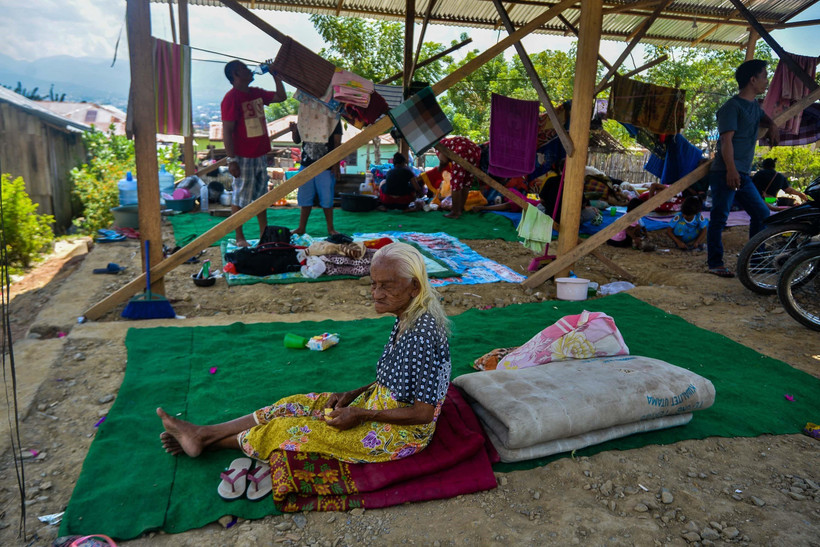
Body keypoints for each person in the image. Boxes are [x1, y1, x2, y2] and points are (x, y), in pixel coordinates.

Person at [157, 242, 451, 464]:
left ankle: (208, 441)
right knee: (295, 404)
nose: (376, 294)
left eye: (387, 286)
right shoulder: (410, 315)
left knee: (290, 429)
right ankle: (204, 433)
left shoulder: (422, 333)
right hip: (382, 404)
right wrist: (353, 394)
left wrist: (361, 414)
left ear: (414, 287)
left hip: (400, 434)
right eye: (374, 284)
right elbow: (396, 380)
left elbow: (423, 414)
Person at [706, 59, 780, 278]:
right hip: (725, 172)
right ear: (753, 79)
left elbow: (763, 117)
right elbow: (726, 142)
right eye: (765, 76)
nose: (767, 81)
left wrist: (773, 124)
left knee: (761, 212)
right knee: (719, 216)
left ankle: (756, 259)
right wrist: (731, 170)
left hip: (743, 174)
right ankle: (715, 263)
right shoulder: (731, 107)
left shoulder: (755, 107)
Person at [221, 60, 287, 247]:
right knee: (239, 197)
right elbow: (227, 131)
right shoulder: (231, 98)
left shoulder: (256, 92)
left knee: (260, 196)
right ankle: (240, 237)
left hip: (259, 154)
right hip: (243, 156)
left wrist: (275, 74)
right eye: (244, 68)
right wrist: (231, 160)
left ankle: (263, 234)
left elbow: (281, 97)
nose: (250, 70)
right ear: (235, 74)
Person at [290, 120, 343, 236]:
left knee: (327, 198)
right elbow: (297, 140)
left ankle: (330, 229)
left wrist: (336, 164)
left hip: (326, 166)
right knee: (305, 197)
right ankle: (301, 227)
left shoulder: (333, 117)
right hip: (306, 165)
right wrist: (294, 131)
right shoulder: (305, 115)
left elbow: (337, 142)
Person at [435, 136, 481, 219]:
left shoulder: (439, 145)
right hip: (475, 151)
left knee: (456, 183)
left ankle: (455, 212)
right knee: (466, 183)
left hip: (461, 152)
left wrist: (440, 168)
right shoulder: (448, 141)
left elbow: (443, 160)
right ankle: (460, 209)